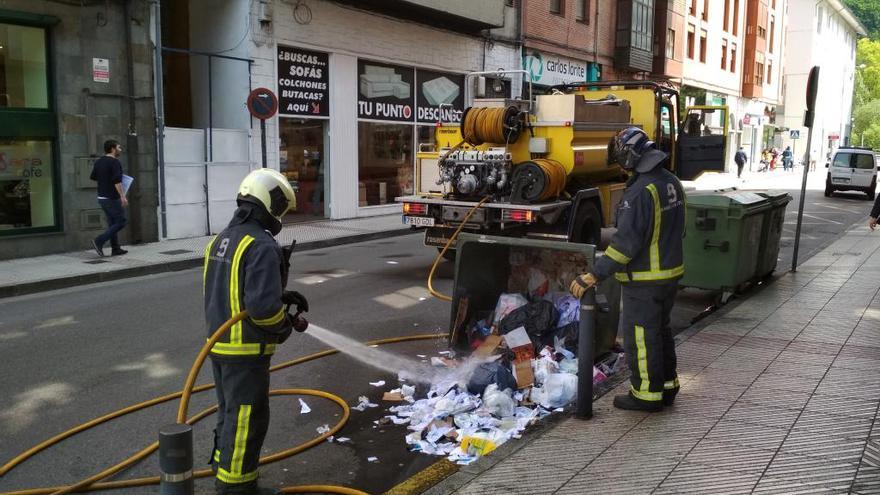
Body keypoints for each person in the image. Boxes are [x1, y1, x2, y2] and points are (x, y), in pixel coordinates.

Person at [203, 168, 309, 494]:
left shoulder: (221, 240)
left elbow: (234, 292)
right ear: (268, 200)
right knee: (248, 421)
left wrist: (281, 296)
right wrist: (283, 326)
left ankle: (224, 473)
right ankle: (237, 488)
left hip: (219, 347)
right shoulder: (261, 245)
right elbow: (262, 310)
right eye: (279, 208)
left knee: (230, 415)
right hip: (246, 351)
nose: (278, 216)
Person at [569, 127, 685, 412]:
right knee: (660, 332)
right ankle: (667, 386)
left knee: (641, 338)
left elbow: (625, 245)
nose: (621, 167)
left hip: (645, 279)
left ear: (632, 157)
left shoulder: (640, 192)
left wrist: (594, 274)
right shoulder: (670, 181)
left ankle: (646, 395)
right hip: (669, 274)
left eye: (622, 161)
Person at [89, 139, 128, 257]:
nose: (120, 150)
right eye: (119, 147)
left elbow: (93, 176)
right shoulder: (114, 162)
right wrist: (122, 196)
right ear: (112, 149)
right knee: (121, 222)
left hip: (102, 197)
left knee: (112, 223)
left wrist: (105, 179)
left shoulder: (99, 162)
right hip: (111, 198)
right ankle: (99, 241)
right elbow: (117, 181)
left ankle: (115, 248)